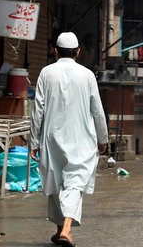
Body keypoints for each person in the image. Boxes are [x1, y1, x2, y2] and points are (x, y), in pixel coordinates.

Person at [31, 32, 108, 247]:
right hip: (81, 138)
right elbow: (98, 110)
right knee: (74, 184)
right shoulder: (87, 75)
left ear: (55, 51)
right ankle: (65, 230)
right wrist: (103, 138)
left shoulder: (46, 73)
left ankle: (60, 231)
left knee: (57, 183)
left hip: (52, 137)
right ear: (78, 52)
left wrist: (33, 141)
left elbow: (37, 110)